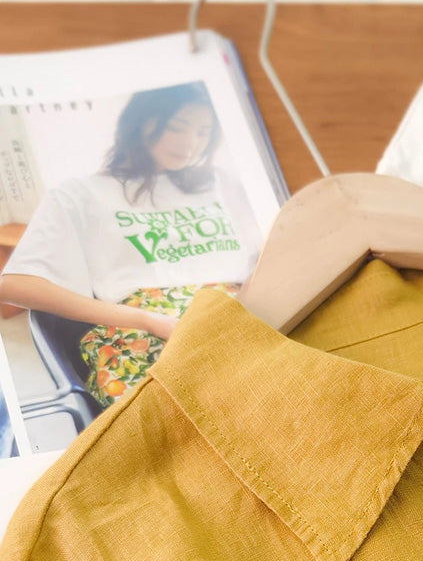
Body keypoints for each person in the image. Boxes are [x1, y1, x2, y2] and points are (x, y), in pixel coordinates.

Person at [0, 82, 261, 408]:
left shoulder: (222, 183)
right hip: (144, 331)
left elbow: (266, 257)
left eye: (203, 132)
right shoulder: (80, 194)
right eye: (177, 127)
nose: (190, 144)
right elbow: (13, 285)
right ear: (141, 122)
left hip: (242, 316)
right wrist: (145, 320)